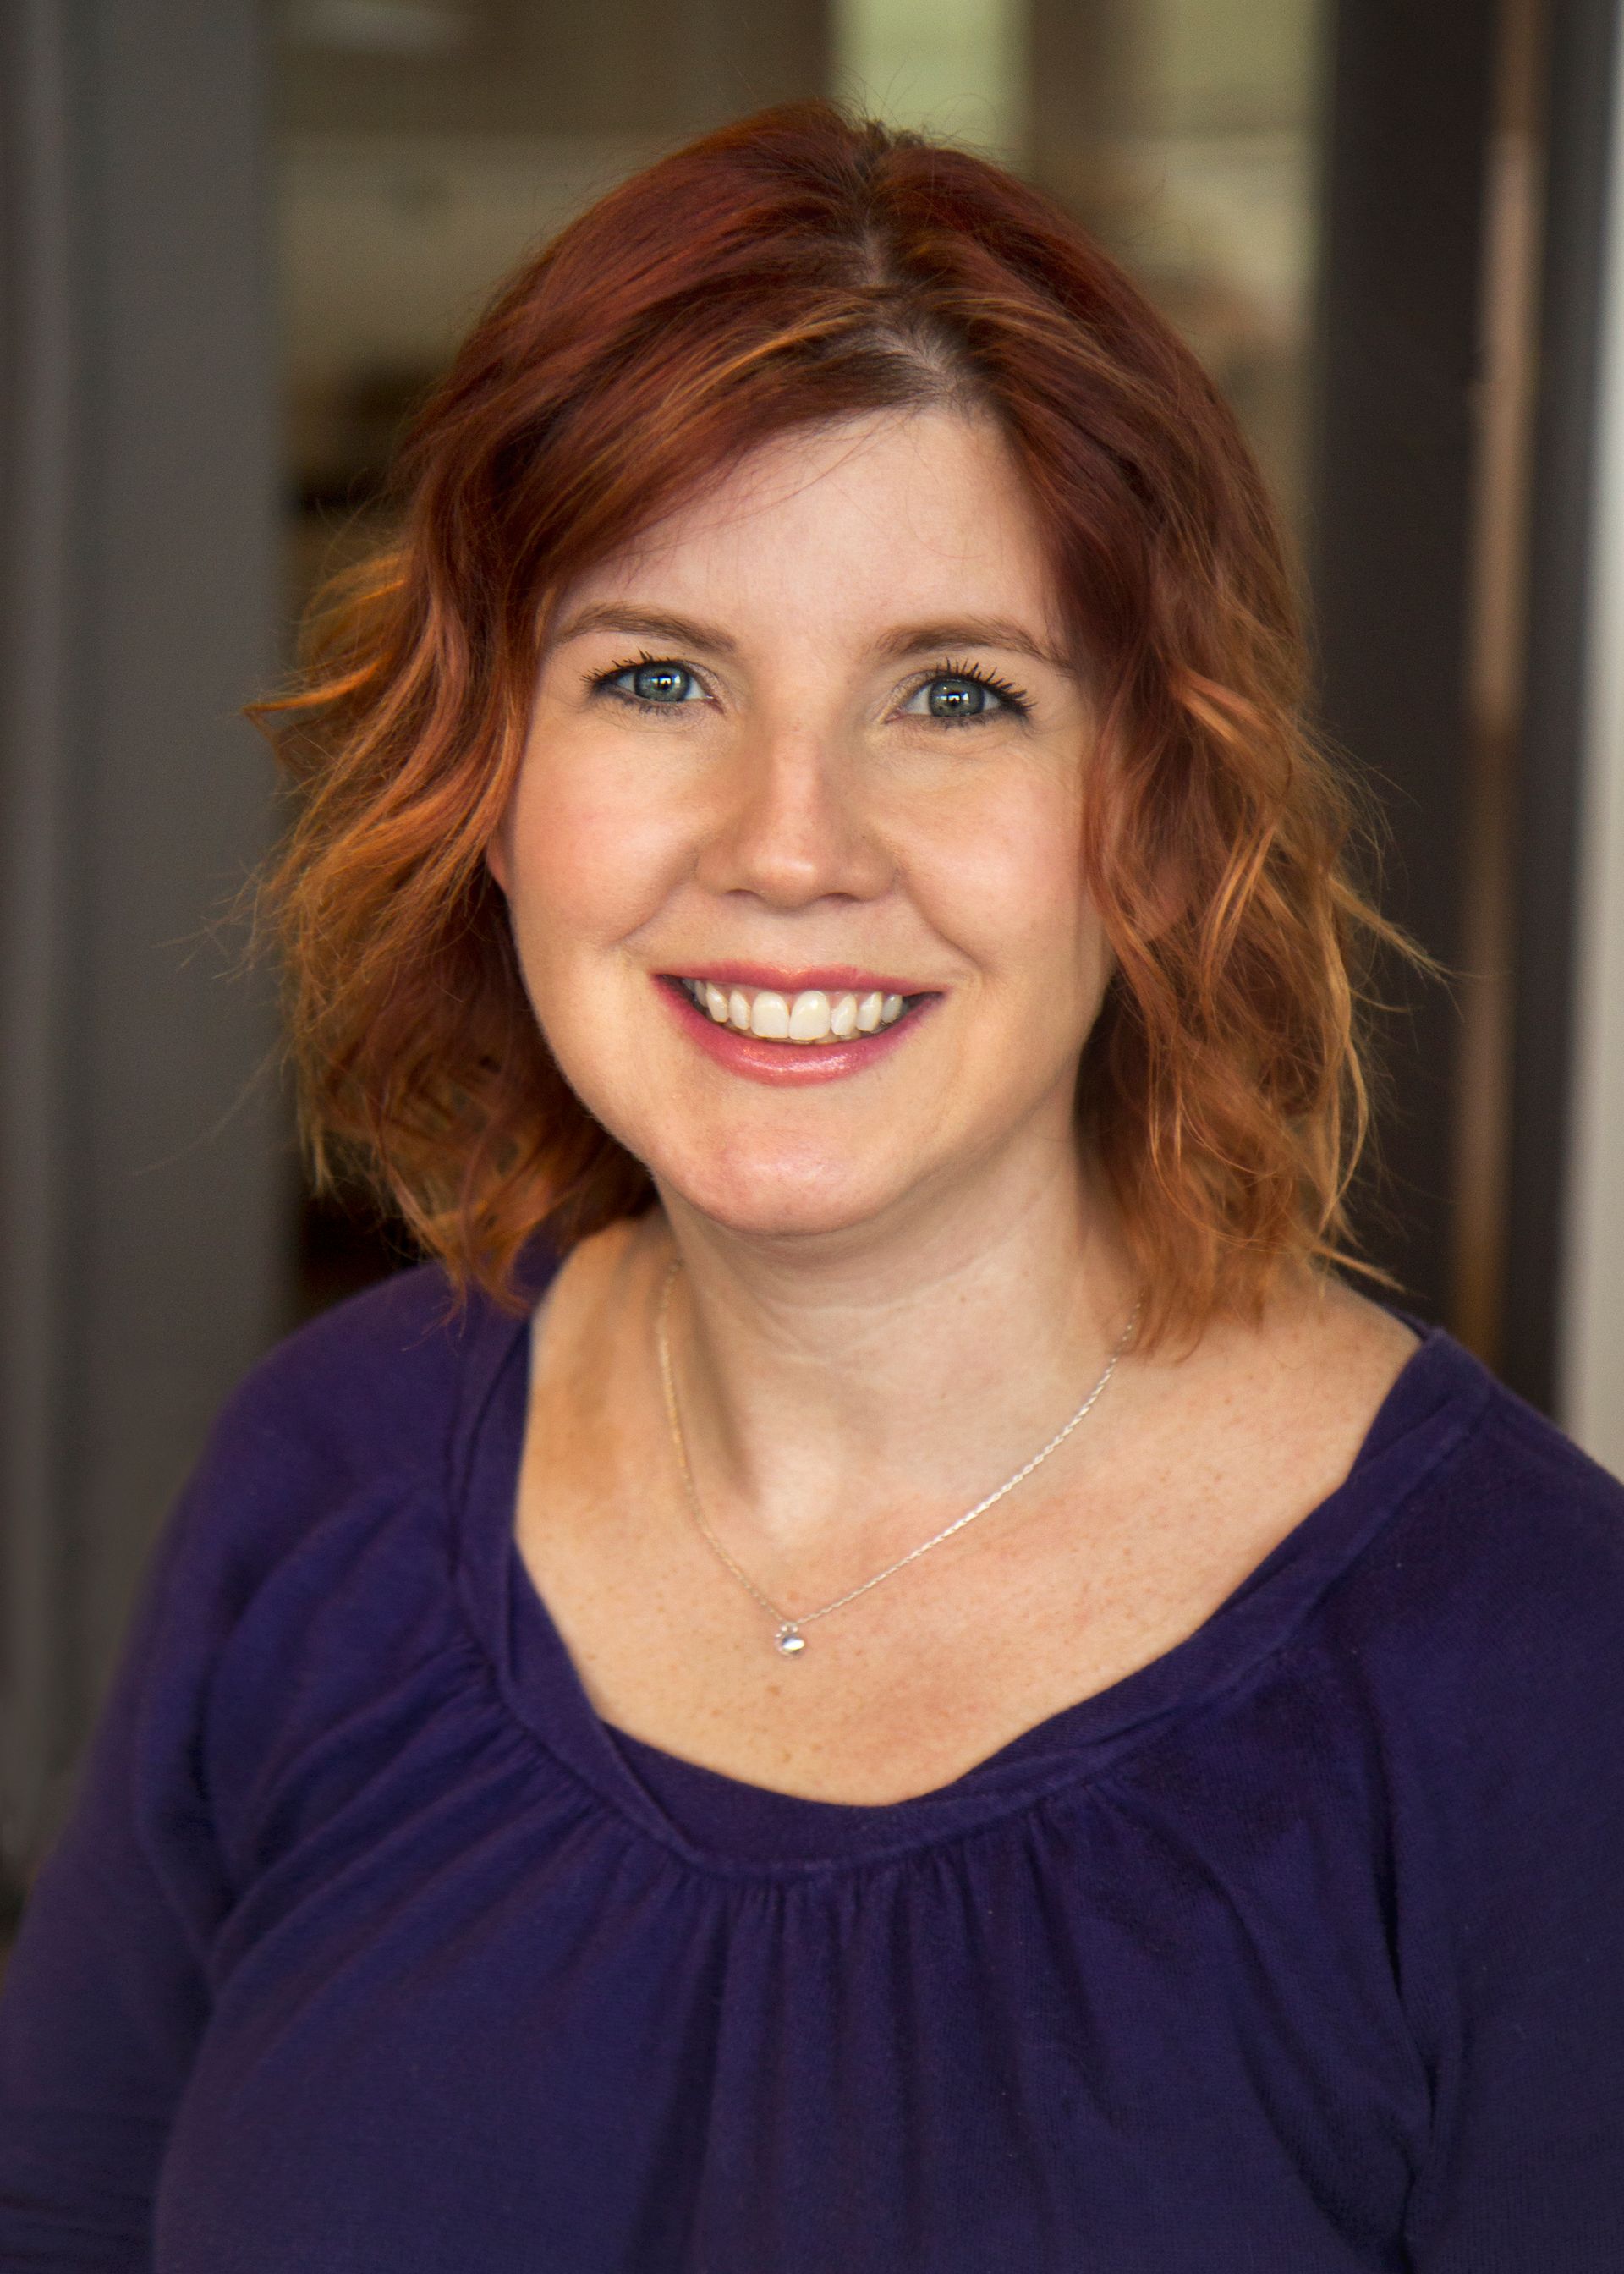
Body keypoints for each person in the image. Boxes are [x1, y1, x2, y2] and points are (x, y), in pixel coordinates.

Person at [2, 97, 1621, 2273]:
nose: (788, 845)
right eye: (656, 676)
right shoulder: (332, 1477)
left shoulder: (1532, 1667)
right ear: (488, 781)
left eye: (955, 695)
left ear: (1146, 820)